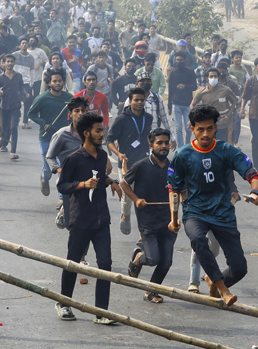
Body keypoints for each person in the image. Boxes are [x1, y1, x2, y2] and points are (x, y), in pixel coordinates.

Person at [168, 105, 258, 306]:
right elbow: (174, 189)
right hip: (195, 212)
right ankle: (223, 290)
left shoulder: (227, 150)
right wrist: (174, 218)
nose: (205, 134)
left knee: (240, 269)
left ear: (215, 127)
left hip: (223, 213)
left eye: (209, 129)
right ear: (192, 128)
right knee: (198, 239)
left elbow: (252, 174)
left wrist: (255, 192)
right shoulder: (182, 155)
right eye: (200, 129)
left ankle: (213, 279)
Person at [55, 112, 124, 323]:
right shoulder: (73, 159)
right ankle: (64, 303)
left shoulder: (102, 156)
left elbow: (99, 176)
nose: (102, 134)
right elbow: (62, 185)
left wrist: (110, 181)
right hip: (80, 220)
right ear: (86, 133)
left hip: (101, 220)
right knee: (73, 263)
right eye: (98, 130)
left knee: (105, 265)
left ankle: (101, 312)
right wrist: (82, 185)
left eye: (102, 130)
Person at [123, 128, 178, 303]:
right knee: (153, 258)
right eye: (159, 143)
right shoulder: (141, 165)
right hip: (147, 220)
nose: (163, 146)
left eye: (166, 143)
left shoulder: (174, 168)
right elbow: (124, 183)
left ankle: (151, 291)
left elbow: (182, 190)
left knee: (166, 262)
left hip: (169, 220)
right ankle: (139, 258)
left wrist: (179, 199)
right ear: (151, 145)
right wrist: (136, 199)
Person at [107, 88, 154, 235]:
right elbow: (109, 139)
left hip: (145, 161)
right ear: (130, 101)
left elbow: (148, 137)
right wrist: (119, 154)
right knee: (127, 195)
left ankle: (143, 231)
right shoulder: (122, 119)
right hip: (126, 163)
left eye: (142, 100)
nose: (140, 102)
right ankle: (125, 215)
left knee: (145, 195)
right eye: (136, 100)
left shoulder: (149, 118)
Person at [46, 96, 93, 228]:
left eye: (83, 110)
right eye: (76, 111)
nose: (80, 113)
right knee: (71, 224)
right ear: (70, 114)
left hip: (89, 181)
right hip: (69, 183)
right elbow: (50, 156)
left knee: (86, 219)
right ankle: (65, 212)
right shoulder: (62, 134)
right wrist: (60, 170)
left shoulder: (91, 134)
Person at [28, 68, 74, 196]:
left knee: (63, 167)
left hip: (65, 138)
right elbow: (30, 114)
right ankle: (44, 178)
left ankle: (61, 198)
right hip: (46, 138)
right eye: (54, 81)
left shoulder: (69, 98)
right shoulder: (42, 98)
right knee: (48, 168)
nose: (57, 83)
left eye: (60, 81)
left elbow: (75, 113)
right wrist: (43, 123)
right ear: (49, 83)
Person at [190, 68, 238, 143]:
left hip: (222, 125)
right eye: (211, 76)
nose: (213, 78)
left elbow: (234, 102)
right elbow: (192, 105)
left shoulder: (226, 90)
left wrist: (228, 115)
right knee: (209, 147)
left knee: (221, 147)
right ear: (207, 78)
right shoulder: (201, 92)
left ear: (218, 77)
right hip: (208, 126)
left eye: (215, 76)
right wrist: (196, 117)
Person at [0, 54, 25, 160]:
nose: (10, 63)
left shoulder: (18, 76)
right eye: (7, 61)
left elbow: (21, 88)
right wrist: (0, 92)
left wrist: (26, 94)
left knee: (13, 128)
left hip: (15, 105)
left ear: (14, 63)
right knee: (5, 128)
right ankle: (3, 143)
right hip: (4, 106)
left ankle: (13, 151)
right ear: (4, 63)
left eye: (11, 61)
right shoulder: (0, 77)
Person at [168, 52, 198, 147]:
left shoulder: (190, 72)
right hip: (176, 103)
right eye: (177, 60)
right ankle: (181, 148)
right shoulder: (173, 73)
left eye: (181, 60)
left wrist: (185, 86)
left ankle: (187, 143)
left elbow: (194, 86)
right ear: (174, 61)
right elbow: (170, 90)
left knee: (188, 127)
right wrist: (169, 106)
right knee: (178, 128)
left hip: (188, 104)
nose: (179, 62)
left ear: (185, 61)